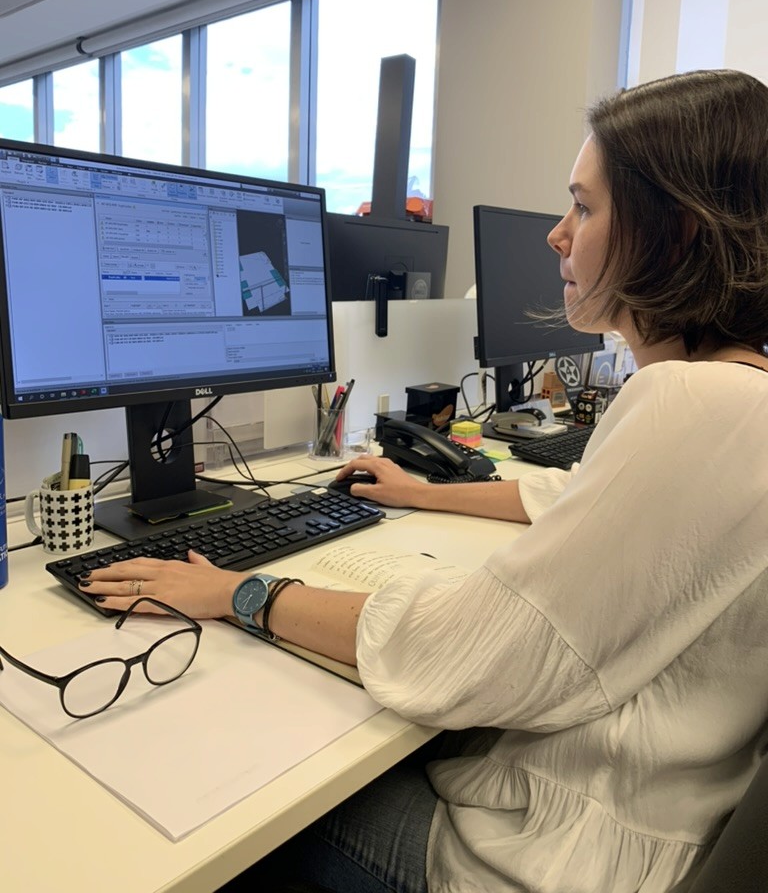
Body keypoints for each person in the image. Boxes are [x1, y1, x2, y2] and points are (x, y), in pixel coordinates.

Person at [80, 69, 768, 893]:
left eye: (584, 208)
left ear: (677, 235)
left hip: (561, 858)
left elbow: (469, 653)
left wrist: (241, 595)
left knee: (256, 802)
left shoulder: (693, 402)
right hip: (655, 816)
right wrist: (422, 492)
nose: (557, 234)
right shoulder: (740, 396)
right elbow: (575, 498)